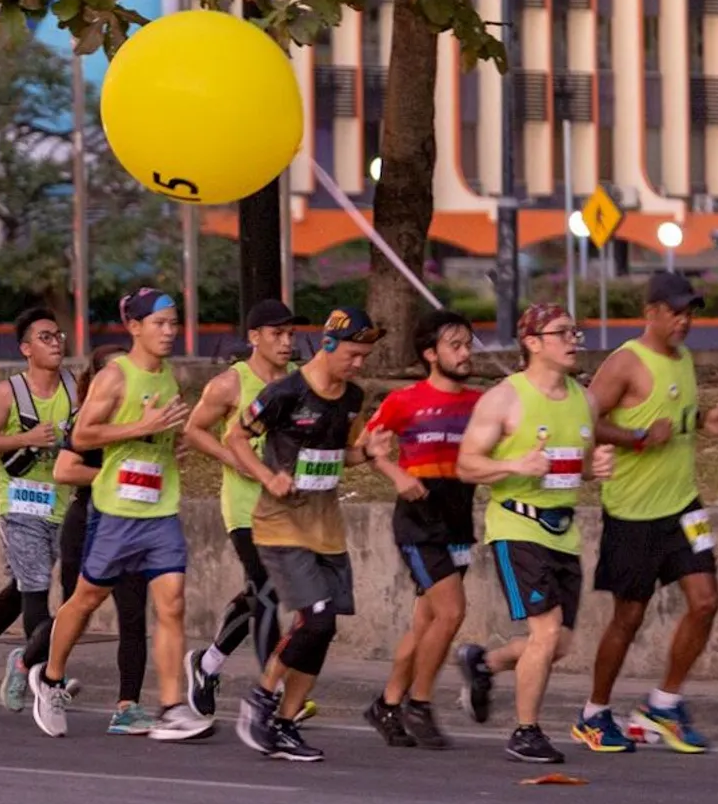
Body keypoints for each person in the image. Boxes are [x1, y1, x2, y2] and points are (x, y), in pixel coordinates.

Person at [24, 288, 211, 742]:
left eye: (173, 323)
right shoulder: (114, 377)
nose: (169, 332)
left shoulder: (168, 377)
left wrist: (170, 443)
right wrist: (142, 427)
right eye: (160, 324)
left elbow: (153, 441)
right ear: (135, 327)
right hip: (115, 513)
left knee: (172, 603)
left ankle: (170, 708)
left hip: (160, 510)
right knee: (85, 601)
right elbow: (84, 435)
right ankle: (48, 679)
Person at [578, 271, 718, 753]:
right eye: (674, 312)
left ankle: (662, 706)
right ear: (651, 312)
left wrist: (701, 420)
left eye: (689, 313)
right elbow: (586, 420)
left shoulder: (684, 358)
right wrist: (637, 440)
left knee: (706, 601)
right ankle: (594, 712)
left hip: (683, 507)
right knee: (628, 617)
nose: (683, 321)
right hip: (632, 512)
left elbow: (670, 416)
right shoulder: (626, 363)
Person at [456, 303, 615, 763]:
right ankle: (525, 732)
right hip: (516, 525)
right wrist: (513, 463)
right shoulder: (505, 399)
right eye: (562, 332)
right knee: (544, 633)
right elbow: (466, 465)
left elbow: (570, 466)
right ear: (532, 342)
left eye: (575, 331)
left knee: (560, 644)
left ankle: (483, 663)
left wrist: (593, 469)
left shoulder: (584, 399)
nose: (573, 341)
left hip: (562, 529)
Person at [229, 307, 380, 762]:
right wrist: (267, 475)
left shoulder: (353, 396)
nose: (359, 364)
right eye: (353, 354)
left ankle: (285, 723)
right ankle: (261, 698)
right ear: (329, 345)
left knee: (324, 628)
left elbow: (344, 455)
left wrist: (369, 452)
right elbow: (237, 438)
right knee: (313, 618)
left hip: (326, 529)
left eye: (365, 357)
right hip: (281, 526)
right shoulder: (286, 393)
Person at [360, 309, 484, 749]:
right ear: (431, 354)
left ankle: (387, 704)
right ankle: (420, 704)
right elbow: (364, 447)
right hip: (418, 524)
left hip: (458, 522)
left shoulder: (478, 403)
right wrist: (395, 473)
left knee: (427, 623)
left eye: (468, 344)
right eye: (456, 345)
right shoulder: (404, 401)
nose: (466, 353)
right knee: (451, 612)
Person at [11, 346, 148, 732]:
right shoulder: (86, 423)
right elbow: (65, 470)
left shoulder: (145, 421)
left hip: (134, 524)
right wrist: (115, 478)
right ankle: (28, 663)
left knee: (134, 615)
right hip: (89, 521)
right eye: (116, 371)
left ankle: (128, 706)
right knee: (76, 611)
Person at [179, 299, 296, 717]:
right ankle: (272, 695)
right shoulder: (231, 383)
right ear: (254, 337)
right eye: (276, 335)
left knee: (260, 593)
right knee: (267, 591)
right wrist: (237, 460)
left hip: (289, 507)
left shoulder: (299, 380)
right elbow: (194, 430)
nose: (285, 343)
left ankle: (207, 663)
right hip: (245, 508)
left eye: (290, 334)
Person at [0, 307, 75, 696]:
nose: (56, 343)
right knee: (37, 586)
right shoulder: (7, 393)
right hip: (16, 500)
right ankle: (38, 674)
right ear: (26, 348)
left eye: (58, 335)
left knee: (24, 584)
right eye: (45, 337)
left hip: (61, 502)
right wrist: (25, 439)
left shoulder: (78, 389)